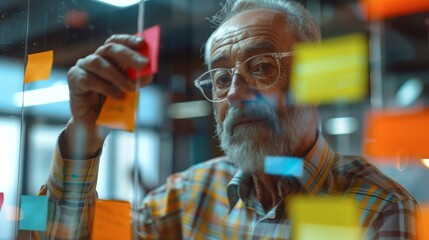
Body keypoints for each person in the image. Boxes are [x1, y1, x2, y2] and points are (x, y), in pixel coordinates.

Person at [36, 0, 418, 239]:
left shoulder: (378, 207)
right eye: (220, 78)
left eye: (263, 67)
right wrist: (83, 136)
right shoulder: (189, 195)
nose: (235, 92)